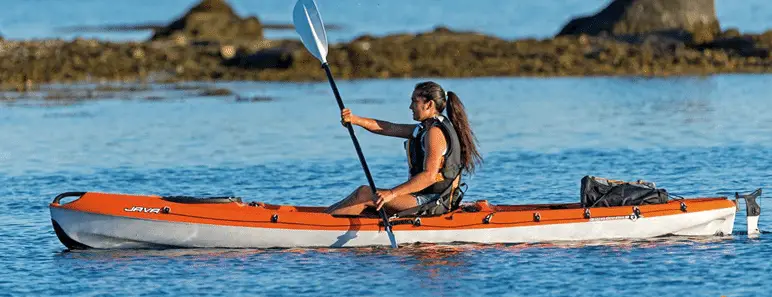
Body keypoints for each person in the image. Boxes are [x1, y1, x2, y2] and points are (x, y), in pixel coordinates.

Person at [325, 81, 483, 216]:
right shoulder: (424, 129)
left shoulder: (435, 132)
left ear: (429, 104)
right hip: (424, 197)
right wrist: (354, 119)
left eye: (414, 101)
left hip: (434, 202)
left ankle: (320, 224)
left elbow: (429, 176)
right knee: (365, 196)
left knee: (365, 193)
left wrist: (391, 194)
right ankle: (321, 218)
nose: (410, 106)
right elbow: (387, 128)